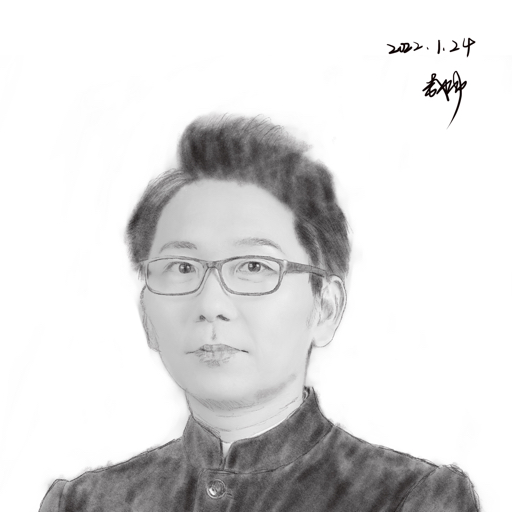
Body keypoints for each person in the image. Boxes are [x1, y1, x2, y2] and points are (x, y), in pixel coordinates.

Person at [40, 114, 479, 511]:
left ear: (325, 307)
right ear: (146, 316)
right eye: (182, 268)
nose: (211, 306)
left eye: (254, 267)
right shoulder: (84, 503)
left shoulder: (408, 498)